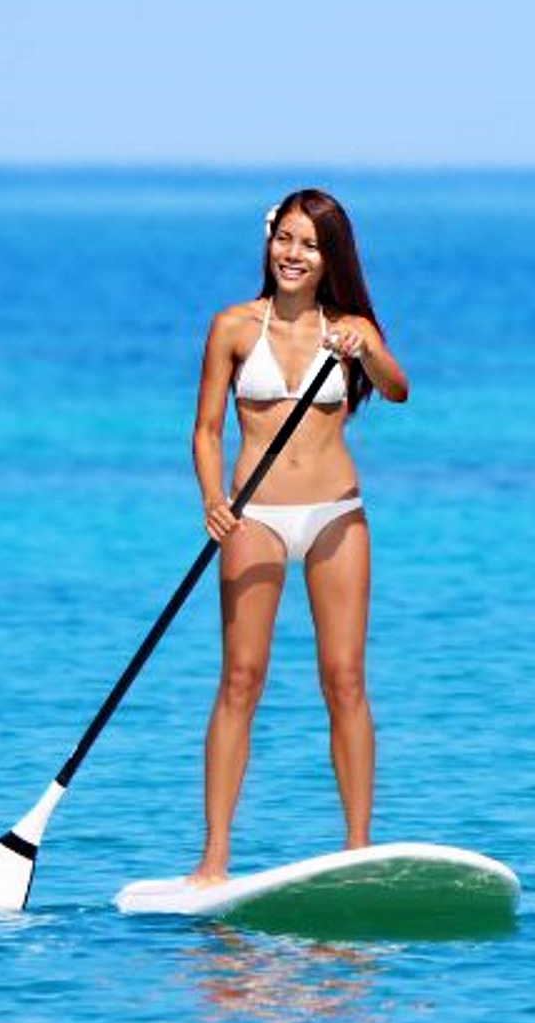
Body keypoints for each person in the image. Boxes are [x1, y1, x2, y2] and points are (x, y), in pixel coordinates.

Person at [187, 188, 409, 885]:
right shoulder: (231, 326)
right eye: (285, 238)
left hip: (336, 514)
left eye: (308, 244)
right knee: (240, 680)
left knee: (344, 680)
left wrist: (366, 350)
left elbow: (398, 390)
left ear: (329, 258)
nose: (292, 253)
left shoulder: (351, 329)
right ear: (268, 241)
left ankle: (356, 849)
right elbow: (205, 430)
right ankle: (215, 857)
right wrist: (212, 499)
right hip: (253, 517)